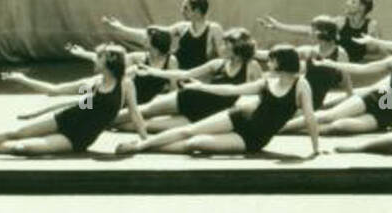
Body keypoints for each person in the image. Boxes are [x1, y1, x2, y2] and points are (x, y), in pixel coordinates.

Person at [0, 45, 144, 155]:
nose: (94, 60)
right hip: (65, 119)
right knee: (15, 134)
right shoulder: (92, 83)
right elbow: (55, 91)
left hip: (77, 138)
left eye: (98, 58)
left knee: (21, 148)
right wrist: (23, 79)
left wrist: (145, 141)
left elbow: (135, 114)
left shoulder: (126, 84)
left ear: (108, 63)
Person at [116, 46, 319, 156]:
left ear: (282, 62)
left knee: (195, 143)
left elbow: (310, 117)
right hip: (237, 117)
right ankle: (140, 146)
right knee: (189, 130)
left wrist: (315, 149)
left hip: (253, 138)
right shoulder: (268, 81)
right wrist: (201, 86)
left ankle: (149, 147)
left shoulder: (301, 85)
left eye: (273, 59)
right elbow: (231, 89)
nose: (269, 62)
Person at [124, 28, 261, 131]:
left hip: (205, 115)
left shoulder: (252, 66)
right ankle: (105, 118)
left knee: (145, 125)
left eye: (226, 45)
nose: (222, 48)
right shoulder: (218, 64)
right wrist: (153, 71)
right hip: (189, 98)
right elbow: (185, 74)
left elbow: (261, 95)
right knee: (143, 111)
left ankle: (107, 122)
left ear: (238, 47)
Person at [307, 26, 392, 135]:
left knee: (338, 126)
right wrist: (332, 64)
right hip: (377, 98)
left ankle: (305, 130)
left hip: (386, 115)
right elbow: (362, 68)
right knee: (329, 116)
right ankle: (287, 125)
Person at [102, 0, 224, 70]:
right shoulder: (182, 27)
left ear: (196, 11)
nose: (182, 10)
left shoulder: (214, 29)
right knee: (131, 58)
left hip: (197, 75)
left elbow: (224, 58)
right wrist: (120, 27)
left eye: (186, 8)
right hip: (174, 70)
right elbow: (151, 34)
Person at [259, 0, 380, 62]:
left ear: (362, 7)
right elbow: (309, 30)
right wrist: (279, 26)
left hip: (347, 65)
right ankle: (256, 53)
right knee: (295, 52)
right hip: (329, 58)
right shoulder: (340, 22)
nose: (347, 4)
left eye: (353, 1)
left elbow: (375, 50)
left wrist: (372, 40)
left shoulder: (371, 25)